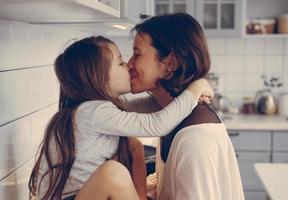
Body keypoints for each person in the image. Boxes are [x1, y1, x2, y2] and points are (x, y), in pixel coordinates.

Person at [28, 36, 213, 200]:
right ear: (97, 76)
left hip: (89, 194)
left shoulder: (94, 109)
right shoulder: (93, 112)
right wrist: (197, 88)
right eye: (120, 63)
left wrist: (184, 97)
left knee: (134, 146)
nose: (128, 65)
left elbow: (152, 107)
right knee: (113, 172)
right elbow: (158, 124)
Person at [127, 13, 245, 200]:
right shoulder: (172, 116)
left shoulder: (195, 139)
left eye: (137, 54)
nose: (129, 64)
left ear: (170, 63)